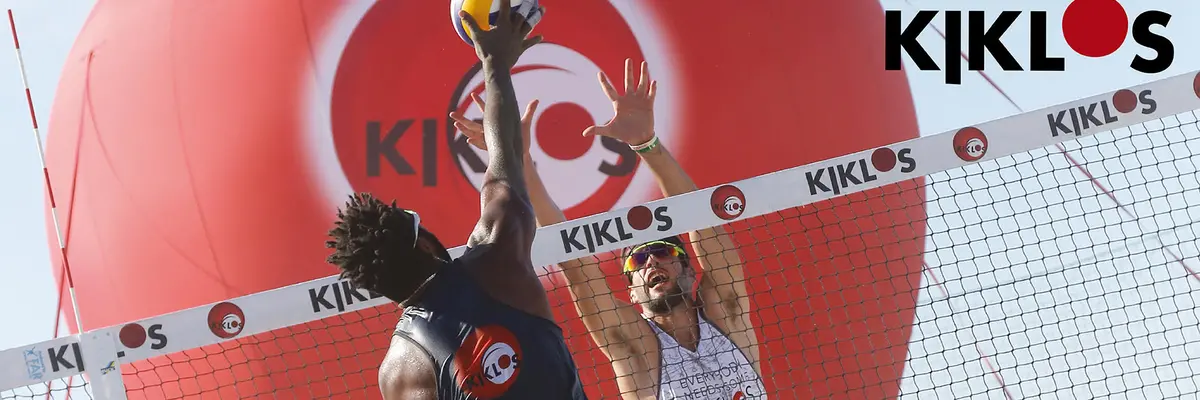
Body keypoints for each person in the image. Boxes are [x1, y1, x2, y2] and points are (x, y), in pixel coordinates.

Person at [452, 59, 765, 399]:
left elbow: (701, 220)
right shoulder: (635, 348)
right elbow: (576, 265)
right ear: (631, 295)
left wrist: (647, 144)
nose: (650, 263)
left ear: (689, 270)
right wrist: (519, 161)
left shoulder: (727, 314)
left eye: (663, 251)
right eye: (637, 261)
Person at [325, 3, 587, 399]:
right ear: (426, 243)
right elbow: (505, 165)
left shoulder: (397, 371)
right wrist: (494, 59)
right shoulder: (496, 260)